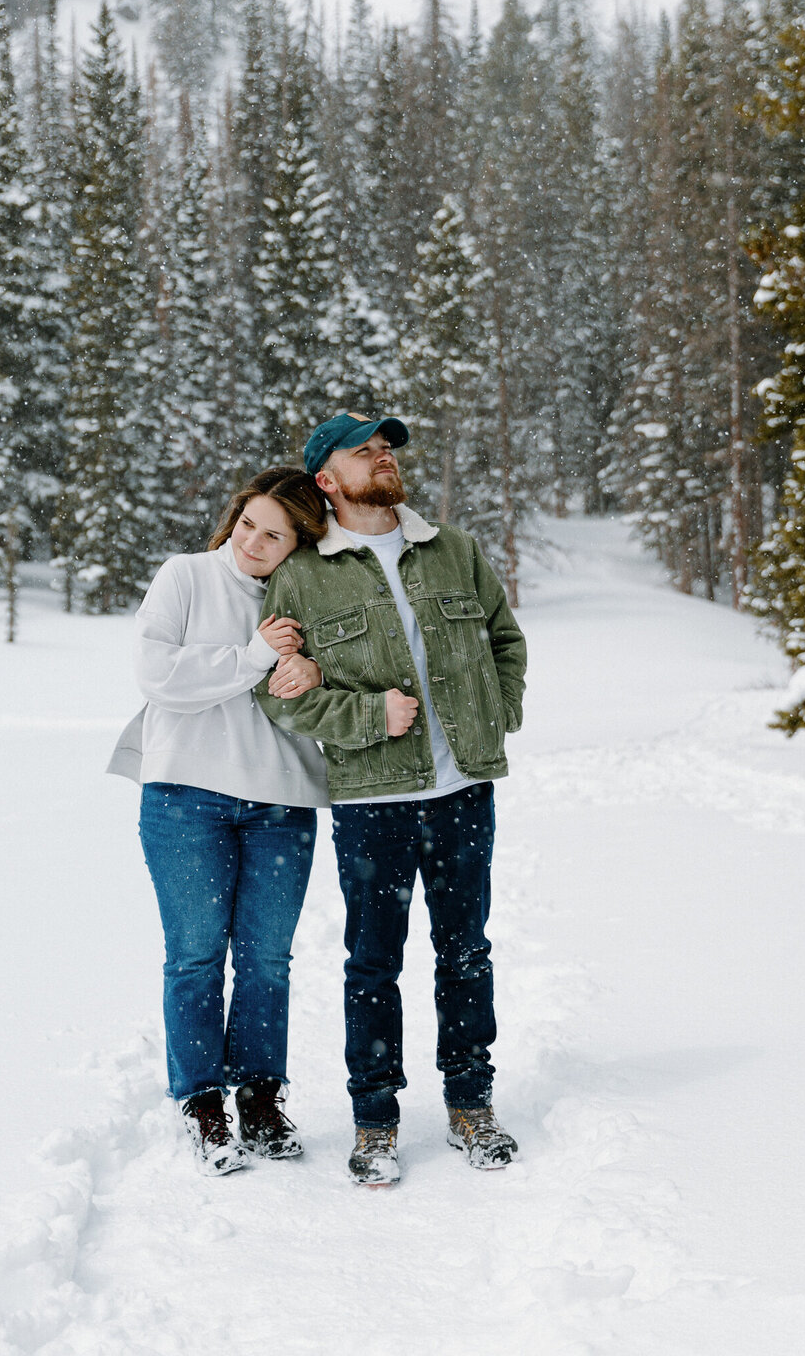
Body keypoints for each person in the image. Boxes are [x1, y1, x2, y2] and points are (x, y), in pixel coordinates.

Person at [255, 413, 527, 1187]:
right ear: (327, 481)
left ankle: (472, 1103)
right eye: (364, 450)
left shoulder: (455, 552)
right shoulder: (301, 576)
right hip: (372, 796)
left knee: (465, 950)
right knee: (373, 962)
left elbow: (506, 641)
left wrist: (494, 714)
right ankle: (375, 1120)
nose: (384, 457)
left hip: (462, 790)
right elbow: (276, 692)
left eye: (388, 447)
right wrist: (368, 718)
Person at [108, 468, 330, 1176]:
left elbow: (347, 674)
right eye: (247, 524)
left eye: (274, 534)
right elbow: (158, 674)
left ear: (301, 543)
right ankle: (203, 1103)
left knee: (267, 958)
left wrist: (317, 672)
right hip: (184, 798)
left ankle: (260, 1098)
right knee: (196, 955)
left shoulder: (312, 598)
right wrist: (256, 657)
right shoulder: (186, 576)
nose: (254, 543)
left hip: (282, 799)